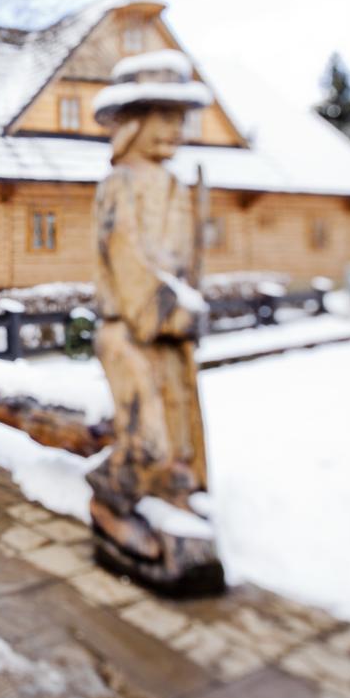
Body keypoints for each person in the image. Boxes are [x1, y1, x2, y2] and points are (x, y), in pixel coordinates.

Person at [86, 49, 224, 595]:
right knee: (146, 432)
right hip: (129, 327)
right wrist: (168, 307)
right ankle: (109, 499)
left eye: (179, 116)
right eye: (161, 115)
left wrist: (190, 297)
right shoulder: (118, 183)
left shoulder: (176, 185)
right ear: (132, 122)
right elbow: (125, 255)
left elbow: (185, 261)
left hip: (170, 331)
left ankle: (174, 493)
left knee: (182, 423)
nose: (173, 127)